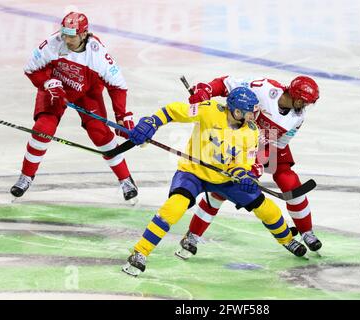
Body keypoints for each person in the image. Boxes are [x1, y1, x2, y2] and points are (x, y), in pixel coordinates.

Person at [122, 87, 307, 276]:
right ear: (236, 112)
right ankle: (140, 252)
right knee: (174, 207)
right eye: (250, 111)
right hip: (192, 173)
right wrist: (152, 122)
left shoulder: (251, 132)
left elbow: (242, 164)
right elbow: (172, 111)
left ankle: (287, 240)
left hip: (225, 179)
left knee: (266, 207)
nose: (254, 115)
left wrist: (244, 176)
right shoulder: (209, 109)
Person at [175, 75, 321, 260]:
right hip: (238, 140)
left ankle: (306, 231)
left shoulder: (298, 118)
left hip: (265, 145)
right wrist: (207, 90)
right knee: (222, 189)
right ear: (298, 98)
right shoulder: (265, 89)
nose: (306, 106)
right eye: (305, 102)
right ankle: (193, 235)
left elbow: (278, 144)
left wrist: (257, 163)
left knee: (290, 181)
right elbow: (226, 83)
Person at [11, 12, 138, 201]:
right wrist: (48, 83)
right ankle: (26, 176)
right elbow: (31, 69)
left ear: (84, 34)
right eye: (65, 34)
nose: (67, 40)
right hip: (56, 87)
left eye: (72, 36)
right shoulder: (52, 44)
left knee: (100, 134)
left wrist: (122, 116)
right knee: (42, 129)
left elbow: (118, 86)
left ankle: (126, 180)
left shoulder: (98, 55)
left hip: (87, 92)